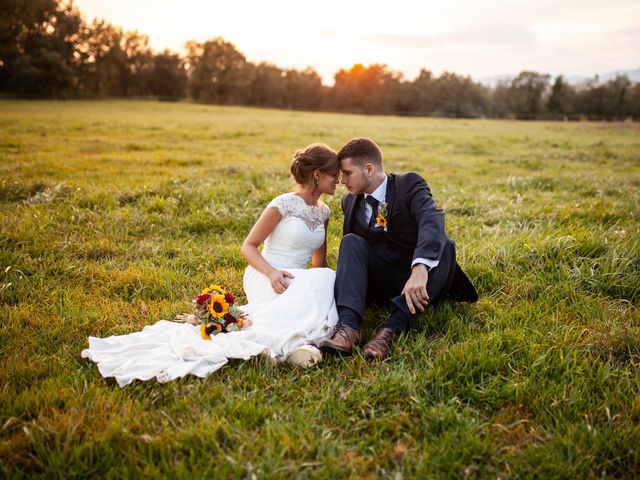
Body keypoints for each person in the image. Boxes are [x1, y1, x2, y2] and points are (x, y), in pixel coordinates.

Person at [81, 143, 340, 386]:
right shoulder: (283, 204)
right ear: (317, 175)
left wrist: (313, 289)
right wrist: (272, 273)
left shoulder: (324, 212)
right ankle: (280, 343)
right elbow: (248, 246)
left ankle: (296, 345)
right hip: (265, 273)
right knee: (323, 283)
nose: (338, 180)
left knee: (327, 281)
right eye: (334, 175)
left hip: (294, 279)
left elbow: (319, 262)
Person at [319, 137, 477, 361]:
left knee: (445, 246)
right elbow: (356, 255)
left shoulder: (408, 185)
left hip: (418, 281)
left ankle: (389, 332)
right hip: (380, 281)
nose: (342, 180)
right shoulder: (350, 201)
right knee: (351, 241)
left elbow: (432, 220)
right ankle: (348, 328)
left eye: (347, 173)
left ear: (369, 169)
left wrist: (420, 268)